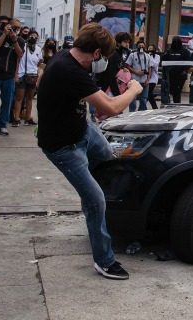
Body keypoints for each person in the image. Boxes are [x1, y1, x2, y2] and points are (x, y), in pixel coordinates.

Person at [37, 23, 143, 280]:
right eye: (104, 58)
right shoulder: (68, 70)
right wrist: (133, 90)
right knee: (95, 199)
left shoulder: (68, 60)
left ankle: (107, 211)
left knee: (109, 157)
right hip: (63, 148)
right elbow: (112, 107)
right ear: (96, 54)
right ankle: (104, 261)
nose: (105, 63)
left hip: (84, 131)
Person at [0, 17, 25, 135]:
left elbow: (20, 54)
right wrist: (4, 34)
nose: (15, 30)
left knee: (7, 102)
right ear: (8, 26)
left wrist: (14, 40)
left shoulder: (20, 40)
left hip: (9, 76)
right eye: (13, 27)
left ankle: (2, 125)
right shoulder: (0, 34)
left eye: (18, 28)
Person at [12, 29, 42, 127]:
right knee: (19, 98)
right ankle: (16, 118)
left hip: (33, 75)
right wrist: (16, 74)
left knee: (30, 98)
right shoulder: (23, 46)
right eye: (31, 36)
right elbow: (18, 59)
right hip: (22, 75)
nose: (33, 38)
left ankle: (28, 118)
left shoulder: (38, 49)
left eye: (35, 37)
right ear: (28, 37)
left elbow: (39, 63)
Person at [96, 31, 131, 98]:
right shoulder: (114, 54)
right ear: (118, 42)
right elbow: (111, 75)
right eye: (125, 42)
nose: (127, 44)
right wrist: (116, 93)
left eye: (128, 42)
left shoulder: (119, 54)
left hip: (108, 88)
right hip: (107, 88)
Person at [162, 36, 191, 103]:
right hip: (170, 75)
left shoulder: (185, 51)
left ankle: (177, 105)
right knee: (170, 91)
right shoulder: (169, 51)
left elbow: (188, 63)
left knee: (177, 92)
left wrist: (184, 70)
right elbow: (163, 60)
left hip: (180, 76)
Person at [125, 39, 150, 111]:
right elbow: (127, 65)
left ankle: (141, 113)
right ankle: (131, 113)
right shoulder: (132, 55)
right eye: (140, 46)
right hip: (134, 80)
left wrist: (148, 79)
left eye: (142, 45)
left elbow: (149, 68)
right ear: (137, 47)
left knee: (144, 99)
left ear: (145, 46)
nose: (141, 47)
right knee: (133, 98)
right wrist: (136, 71)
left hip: (144, 80)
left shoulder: (148, 56)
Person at [146, 44, 160, 109]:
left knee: (149, 93)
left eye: (152, 48)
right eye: (149, 48)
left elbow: (154, 64)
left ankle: (155, 107)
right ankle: (143, 107)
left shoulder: (157, 56)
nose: (150, 50)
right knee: (147, 94)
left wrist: (150, 56)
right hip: (146, 77)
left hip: (153, 78)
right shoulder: (146, 55)